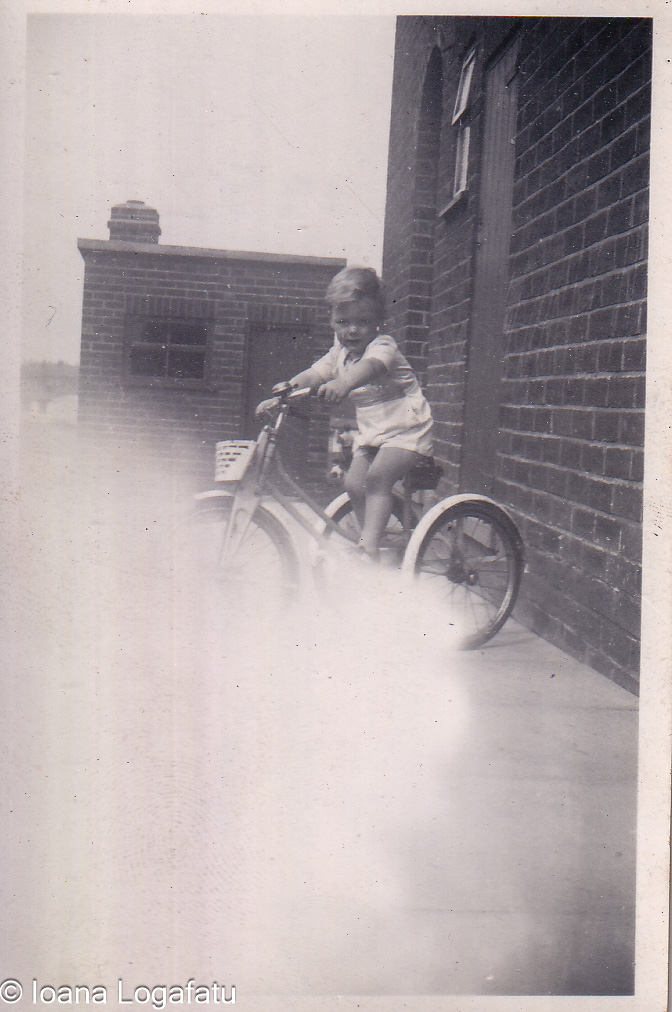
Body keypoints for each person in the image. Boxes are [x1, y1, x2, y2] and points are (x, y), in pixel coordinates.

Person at [272, 266, 433, 560]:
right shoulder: (338, 352)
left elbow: (371, 367)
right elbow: (315, 373)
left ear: (379, 322)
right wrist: (286, 390)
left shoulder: (383, 346)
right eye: (343, 322)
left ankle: (369, 548)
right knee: (353, 484)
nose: (352, 330)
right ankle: (378, 532)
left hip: (407, 429)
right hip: (374, 434)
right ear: (332, 321)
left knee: (378, 477)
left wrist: (344, 383)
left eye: (363, 321)